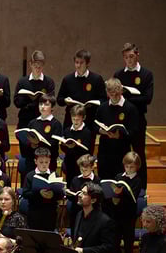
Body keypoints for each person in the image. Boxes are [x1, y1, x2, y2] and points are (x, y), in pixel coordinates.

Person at [114, 42, 154, 183]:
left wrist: (128, 98)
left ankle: (142, 188)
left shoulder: (146, 74)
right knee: (121, 153)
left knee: (139, 154)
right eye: (126, 57)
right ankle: (121, 185)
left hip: (138, 120)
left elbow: (147, 98)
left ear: (137, 55)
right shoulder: (118, 74)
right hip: (121, 120)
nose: (129, 60)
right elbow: (115, 96)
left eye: (131, 56)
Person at [104, 151, 144, 253]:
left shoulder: (137, 180)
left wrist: (122, 194)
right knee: (115, 244)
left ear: (137, 167)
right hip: (116, 215)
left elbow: (133, 198)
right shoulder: (119, 177)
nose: (129, 169)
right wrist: (113, 198)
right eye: (126, 166)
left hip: (128, 216)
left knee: (128, 245)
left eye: (131, 167)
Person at [96, 77, 139, 181]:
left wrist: (120, 135)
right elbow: (95, 125)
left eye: (117, 93)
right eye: (111, 94)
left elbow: (134, 131)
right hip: (105, 152)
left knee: (120, 183)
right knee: (104, 182)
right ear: (107, 93)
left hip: (121, 152)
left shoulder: (130, 108)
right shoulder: (102, 107)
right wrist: (101, 131)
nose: (114, 96)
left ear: (121, 90)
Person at [57, 49, 106, 130]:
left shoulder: (96, 79)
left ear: (88, 63)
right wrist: (65, 100)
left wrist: (95, 103)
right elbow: (59, 100)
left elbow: (104, 100)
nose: (78, 65)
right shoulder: (68, 79)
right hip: (71, 121)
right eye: (76, 62)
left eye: (81, 62)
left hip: (90, 120)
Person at [20, 147, 63, 232]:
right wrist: (39, 193)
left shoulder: (55, 175)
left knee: (48, 235)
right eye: (41, 162)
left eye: (46, 162)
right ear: (35, 161)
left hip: (50, 212)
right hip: (35, 212)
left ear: (50, 161)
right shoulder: (30, 175)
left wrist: (53, 194)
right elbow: (25, 193)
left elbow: (60, 194)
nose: (44, 164)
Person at [19, 94, 62, 177]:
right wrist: (31, 144)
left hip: (48, 162)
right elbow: (26, 144)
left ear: (52, 107)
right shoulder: (32, 123)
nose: (42, 107)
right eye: (40, 104)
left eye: (46, 104)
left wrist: (38, 143)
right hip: (32, 161)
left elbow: (53, 144)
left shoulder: (56, 124)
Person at [13, 50, 56, 127]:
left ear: (43, 66)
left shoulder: (49, 82)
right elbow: (16, 103)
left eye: (40, 67)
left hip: (42, 119)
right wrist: (27, 98)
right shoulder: (22, 82)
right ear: (30, 64)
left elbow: (52, 102)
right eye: (35, 66)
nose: (37, 69)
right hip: (25, 119)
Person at [61, 105, 97, 185]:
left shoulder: (87, 132)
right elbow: (63, 148)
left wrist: (74, 147)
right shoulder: (67, 130)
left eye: (78, 119)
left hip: (82, 165)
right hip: (70, 163)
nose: (75, 121)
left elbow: (88, 150)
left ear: (83, 118)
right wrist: (64, 145)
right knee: (70, 185)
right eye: (73, 119)